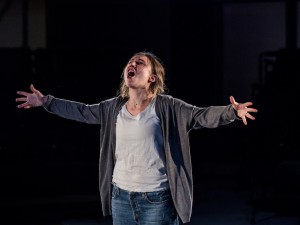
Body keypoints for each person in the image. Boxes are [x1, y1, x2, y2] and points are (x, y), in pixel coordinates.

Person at [16, 51, 258, 225]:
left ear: (152, 78)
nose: (132, 64)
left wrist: (231, 112)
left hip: (157, 200)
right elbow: (81, 111)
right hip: (120, 197)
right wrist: (46, 101)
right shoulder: (113, 108)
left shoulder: (168, 107)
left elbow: (200, 115)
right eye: (130, 62)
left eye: (139, 63)